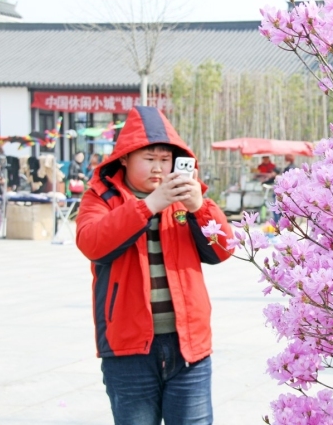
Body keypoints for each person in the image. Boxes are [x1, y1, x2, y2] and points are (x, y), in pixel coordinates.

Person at [75, 106, 233, 425]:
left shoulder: (186, 198)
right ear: (124, 158)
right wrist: (148, 206)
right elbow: (92, 243)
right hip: (128, 349)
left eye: (165, 159)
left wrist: (199, 207)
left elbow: (223, 249)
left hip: (189, 346)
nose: (158, 168)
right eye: (149, 159)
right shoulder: (101, 197)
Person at [272, 154, 296, 224]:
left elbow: (285, 178)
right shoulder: (294, 166)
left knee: (277, 203)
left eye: (285, 158)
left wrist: (277, 177)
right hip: (290, 190)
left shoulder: (289, 167)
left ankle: (277, 220)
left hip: (286, 190)